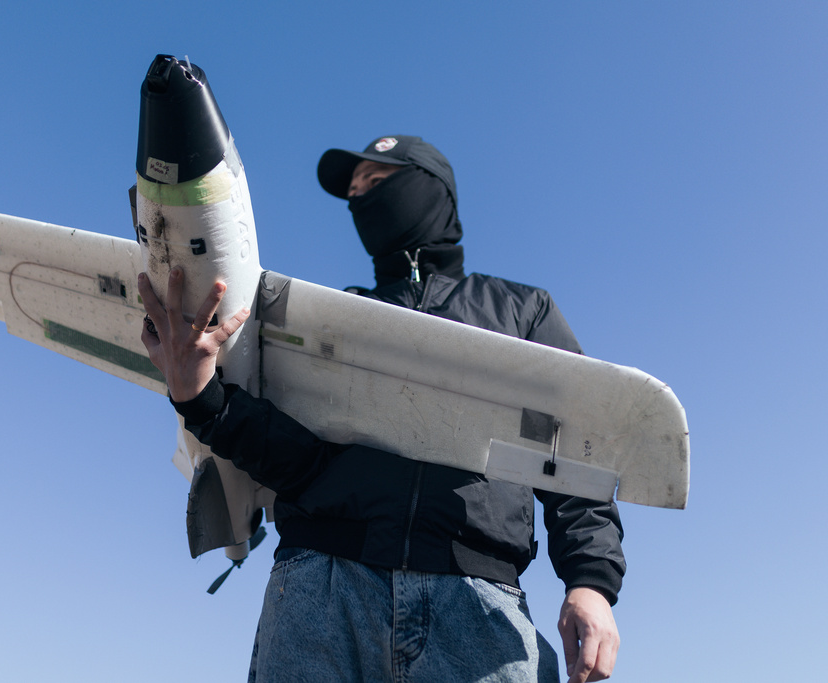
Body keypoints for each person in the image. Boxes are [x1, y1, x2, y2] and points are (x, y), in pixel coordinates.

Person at [138, 135, 625, 683]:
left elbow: (575, 456)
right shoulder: (332, 316)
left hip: (476, 600)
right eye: (354, 191)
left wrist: (590, 580)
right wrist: (201, 399)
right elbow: (292, 461)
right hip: (319, 592)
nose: (361, 198)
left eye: (377, 181)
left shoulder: (522, 311)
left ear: (430, 189)